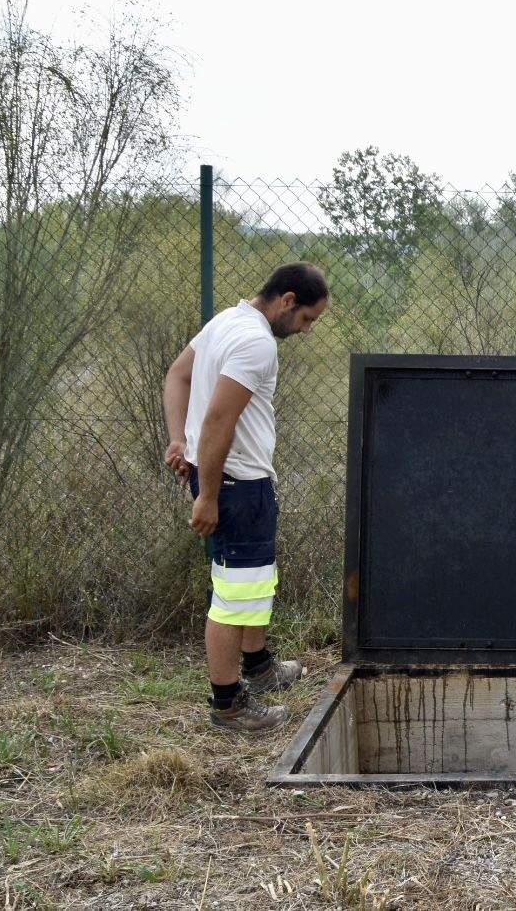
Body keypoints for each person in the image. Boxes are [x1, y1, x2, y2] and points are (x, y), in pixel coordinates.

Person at [162, 263, 330, 734]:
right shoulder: (256, 342)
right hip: (235, 484)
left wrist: (179, 442)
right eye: (307, 320)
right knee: (234, 594)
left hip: (232, 479)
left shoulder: (226, 322)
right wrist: (209, 496)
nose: (306, 330)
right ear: (288, 300)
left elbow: (177, 375)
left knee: (254, 579)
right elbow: (218, 420)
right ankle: (228, 704)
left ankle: (257, 664)